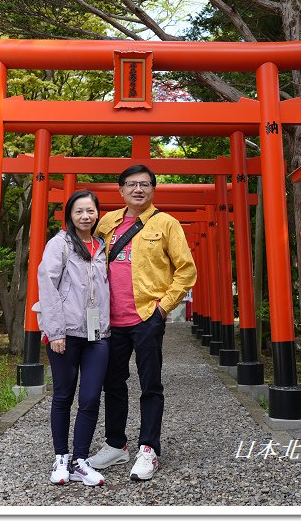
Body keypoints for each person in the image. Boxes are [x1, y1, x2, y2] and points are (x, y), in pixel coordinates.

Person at [88, 165, 197, 481]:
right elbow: (84, 254)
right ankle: (115, 444)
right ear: (120, 189)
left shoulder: (166, 224)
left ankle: (148, 448)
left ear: (153, 189)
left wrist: (162, 310)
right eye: (131, 184)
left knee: (150, 383)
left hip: (147, 316)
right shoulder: (106, 222)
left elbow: (186, 270)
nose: (138, 189)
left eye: (145, 184)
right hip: (110, 319)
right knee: (113, 382)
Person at [37, 190, 110, 486]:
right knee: (64, 396)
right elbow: (47, 284)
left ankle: (81, 460)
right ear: (70, 215)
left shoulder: (103, 245)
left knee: (91, 397)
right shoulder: (60, 244)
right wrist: (54, 331)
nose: (85, 216)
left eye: (90, 211)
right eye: (79, 211)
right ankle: (61, 457)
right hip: (65, 333)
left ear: (97, 214)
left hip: (99, 334)